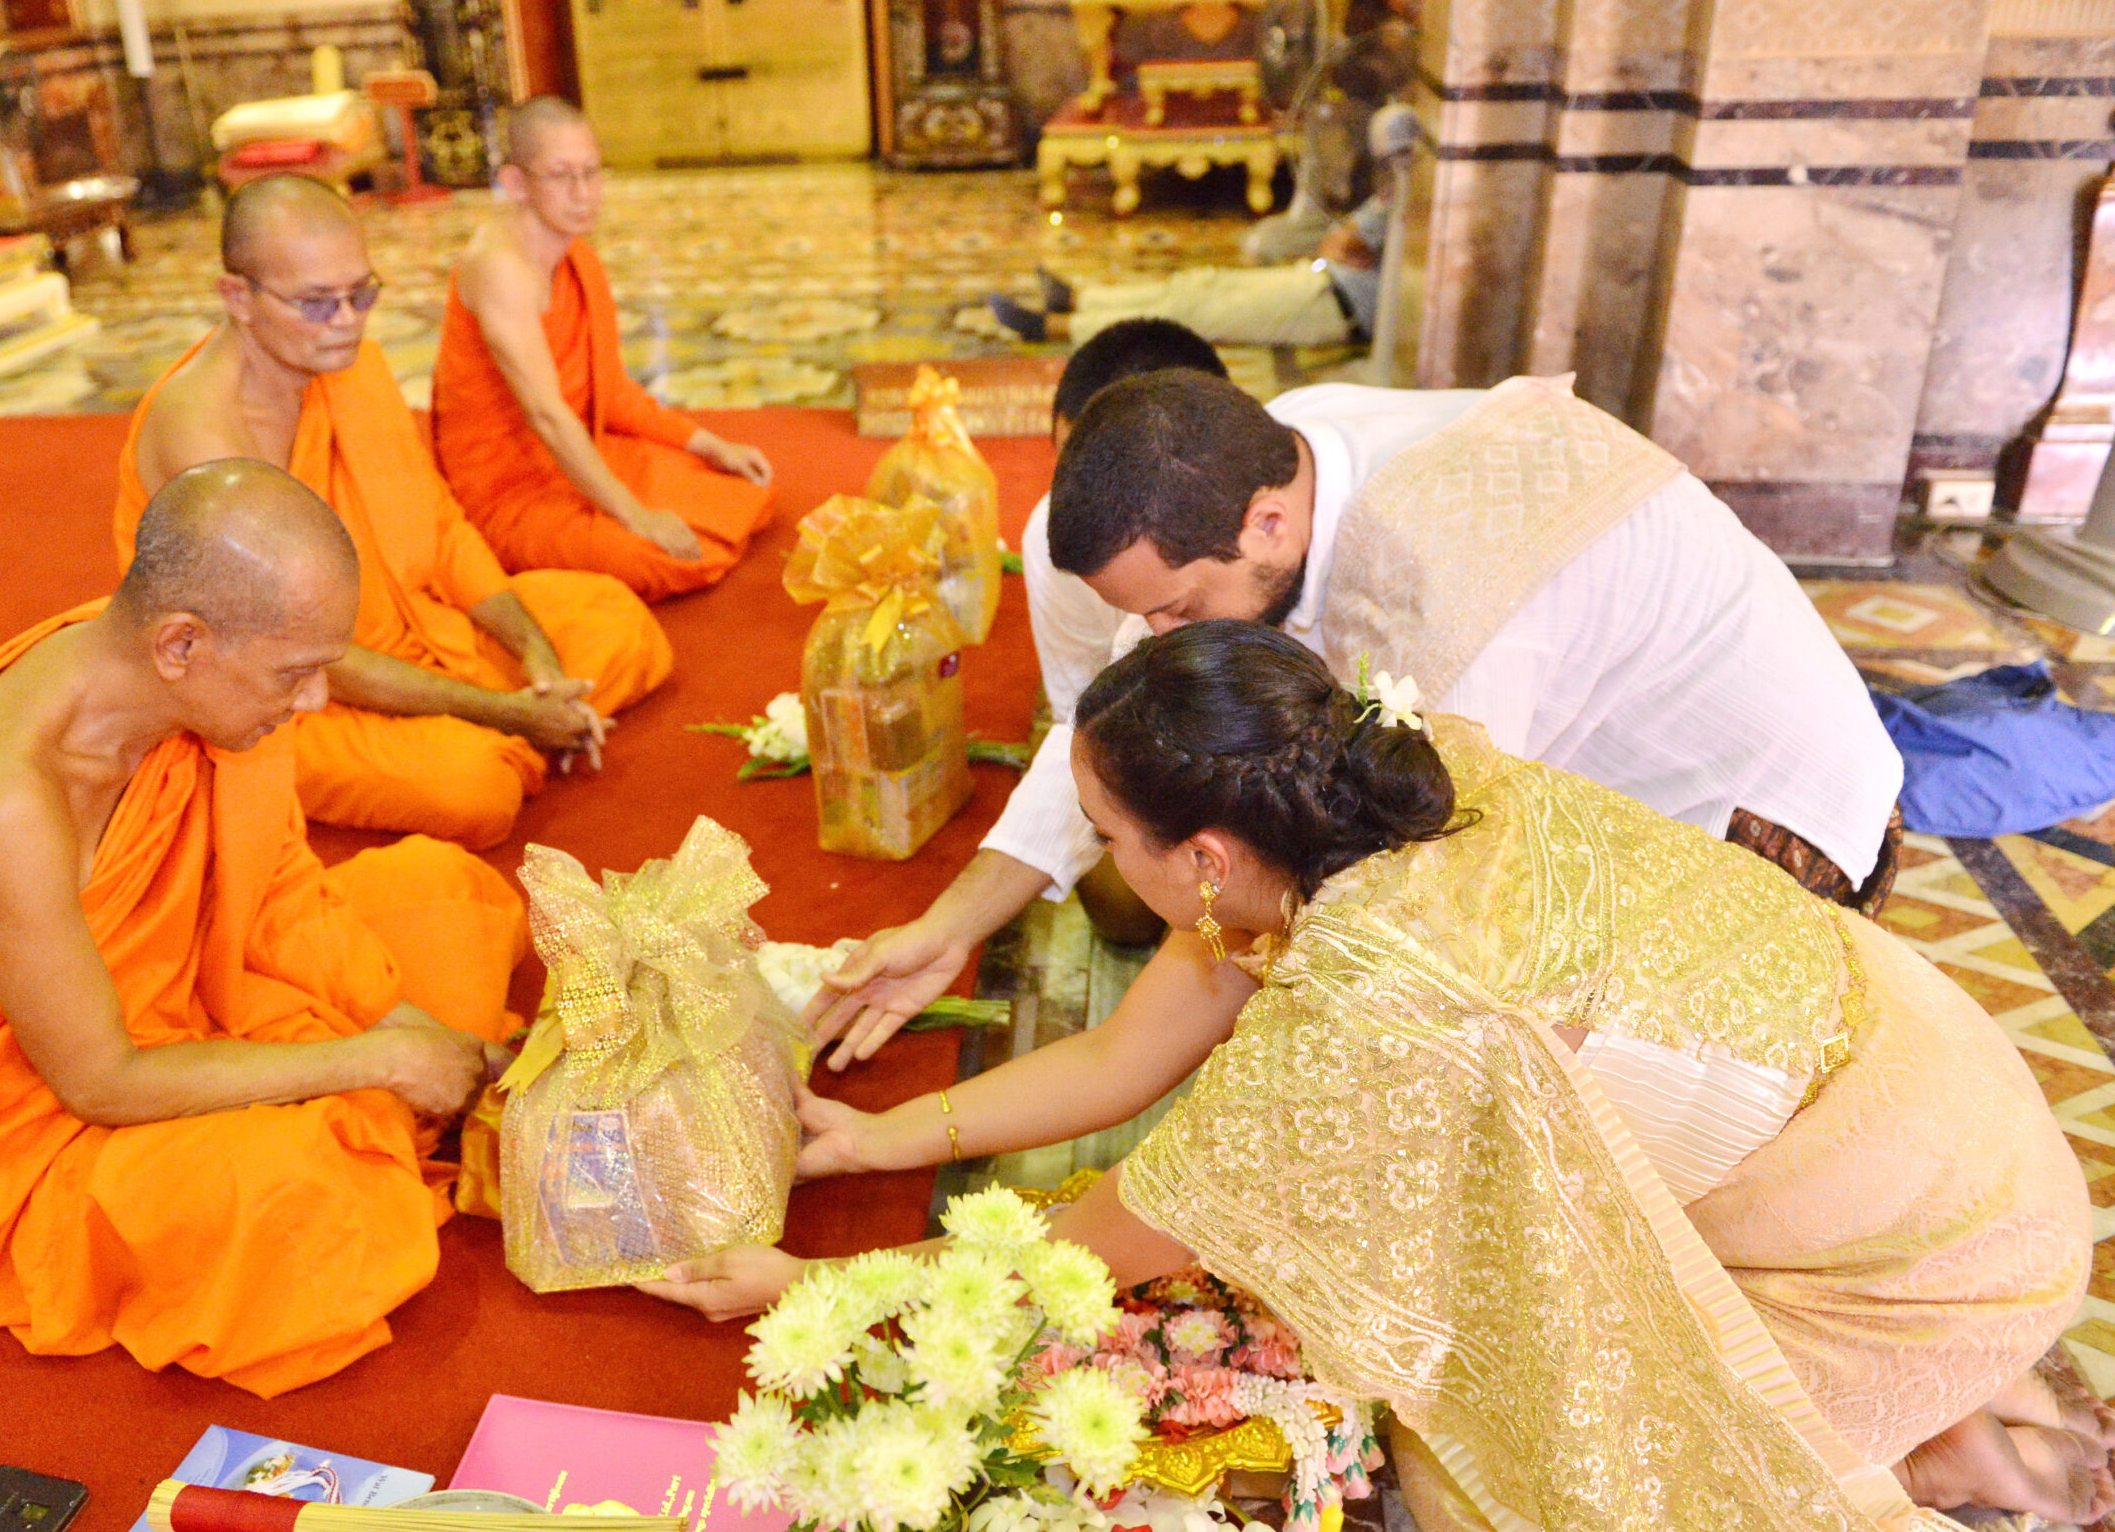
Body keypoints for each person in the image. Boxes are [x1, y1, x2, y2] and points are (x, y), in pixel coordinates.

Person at [645, 622, 2115, 1532]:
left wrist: (819, 1295)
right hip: (1953, 1105)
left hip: (1935, 1247)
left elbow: (1087, 1252)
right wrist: (871, 1140)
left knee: (1497, 1504)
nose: (1097, 860)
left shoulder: (1377, 1005)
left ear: (1202, 855)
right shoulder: (1399, 785)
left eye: (1104, 833)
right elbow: (1122, 1048)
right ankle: (1908, 1402)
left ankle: (1936, 1444)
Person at [808, 367, 1907, 1069]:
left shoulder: (1444, 589)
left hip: (1765, 839)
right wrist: (947, 929)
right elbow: (1115, 726)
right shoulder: (1273, 456)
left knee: (1474, 1077)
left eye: (1179, 608)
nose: (1162, 636)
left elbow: (1437, 886)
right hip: (1576, 792)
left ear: (1268, 523)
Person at [0, 461, 530, 1397]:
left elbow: (277, 891)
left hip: (183, 1001)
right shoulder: (5, 794)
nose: (315, 704)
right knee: (300, 1206)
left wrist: (401, 1018)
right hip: (31, 1109)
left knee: (443, 895)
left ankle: (380, 1080)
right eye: (295, 675)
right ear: (180, 644)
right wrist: (379, 1060)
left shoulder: (187, 679)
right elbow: (100, 1079)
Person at [120, 173, 672, 848]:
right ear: (237, 296)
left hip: (414, 633)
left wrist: (537, 654)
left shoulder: (356, 369)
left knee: (616, 621)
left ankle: (529, 711)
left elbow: (439, 525)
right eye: (318, 303)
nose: (349, 320)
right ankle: (519, 730)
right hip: (280, 694)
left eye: (363, 293)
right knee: (474, 789)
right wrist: (502, 712)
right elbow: (299, 649)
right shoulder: (205, 434)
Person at [431, 96, 776, 600]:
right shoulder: (500, 269)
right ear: (516, 184)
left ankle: (629, 506)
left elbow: (610, 390)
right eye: (561, 176)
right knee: (662, 555)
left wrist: (707, 443)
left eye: (592, 173)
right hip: (509, 490)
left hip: (578, 453)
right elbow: (546, 414)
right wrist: (636, 516)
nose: (584, 194)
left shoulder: (578, 256)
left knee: (746, 494)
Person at [1028, 317, 1232, 945]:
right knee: (1121, 908)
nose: (1086, 503)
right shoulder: (1058, 536)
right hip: (1173, 756)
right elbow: (1085, 728)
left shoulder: (1269, 529)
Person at [986, 106, 1415, 349]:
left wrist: (1354, 243)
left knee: (1193, 314)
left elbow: (1349, 239)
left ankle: (1058, 328)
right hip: (1319, 281)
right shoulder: (1408, 190)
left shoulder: (1421, 200)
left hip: (1336, 309)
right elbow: (1343, 241)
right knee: (1195, 285)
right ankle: (1081, 299)